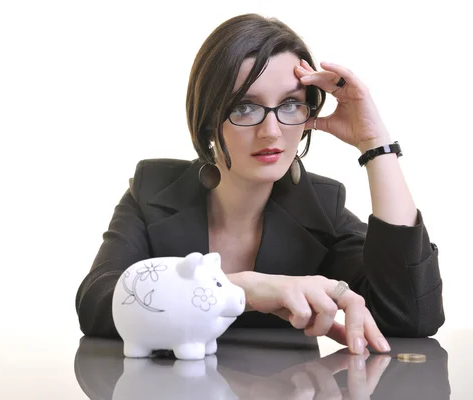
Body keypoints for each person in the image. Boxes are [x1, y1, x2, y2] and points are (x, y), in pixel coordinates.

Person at [74, 13, 444, 355]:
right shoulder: (152, 191)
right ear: (208, 120)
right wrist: (241, 288)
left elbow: (412, 314)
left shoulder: (320, 207)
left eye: (289, 104)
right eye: (244, 107)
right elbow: (97, 303)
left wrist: (375, 144)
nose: (271, 132)